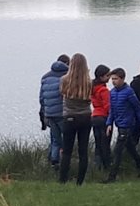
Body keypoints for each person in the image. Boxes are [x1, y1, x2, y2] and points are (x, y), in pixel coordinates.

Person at [103, 68, 140, 183]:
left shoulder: (129, 92)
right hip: (119, 124)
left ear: (122, 79)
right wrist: (109, 123)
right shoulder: (112, 93)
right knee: (131, 149)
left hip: (128, 125)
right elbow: (112, 110)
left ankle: (111, 177)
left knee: (117, 151)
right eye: (112, 79)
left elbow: (138, 108)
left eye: (116, 79)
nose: (113, 81)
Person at [59, 53, 93, 185]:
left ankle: (63, 180)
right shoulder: (89, 82)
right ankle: (80, 181)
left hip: (69, 116)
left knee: (67, 151)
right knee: (83, 151)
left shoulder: (64, 80)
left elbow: (61, 93)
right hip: (85, 116)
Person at [38, 54, 69, 169]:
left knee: (55, 140)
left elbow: (41, 98)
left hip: (49, 114)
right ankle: (65, 162)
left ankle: (53, 162)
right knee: (67, 138)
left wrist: (44, 112)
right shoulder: (65, 78)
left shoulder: (45, 78)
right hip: (61, 113)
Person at [91, 64, 112, 170]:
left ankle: (97, 167)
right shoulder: (103, 90)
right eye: (107, 75)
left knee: (98, 143)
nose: (109, 77)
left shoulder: (93, 89)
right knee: (105, 144)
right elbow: (108, 106)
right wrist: (112, 118)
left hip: (94, 117)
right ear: (101, 77)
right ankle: (107, 166)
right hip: (103, 117)